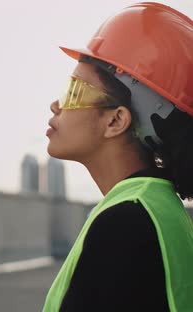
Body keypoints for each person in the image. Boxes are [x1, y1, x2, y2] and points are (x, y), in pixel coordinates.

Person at [42, 2, 193, 311]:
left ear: (116, 121)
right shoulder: (155, 209)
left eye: (75, 92)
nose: (56, 105)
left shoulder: (125, 224)